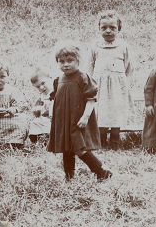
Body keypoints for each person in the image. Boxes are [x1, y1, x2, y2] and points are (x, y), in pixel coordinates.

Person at [48, 41, 112, 181]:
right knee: (67, 149)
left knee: (79, 147)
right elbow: (55, 100)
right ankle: (69, 176)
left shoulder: (83, 77)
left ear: (78, 61)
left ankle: (100, 171)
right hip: (63, 121)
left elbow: (91, 99)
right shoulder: (58, 80)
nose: (65, 64)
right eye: (61, 61)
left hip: (78, 120)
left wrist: (85, 117)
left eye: (70, 60)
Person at [87, 10, 136, 149]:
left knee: (117, 110)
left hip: (118, 86)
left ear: (119, 29)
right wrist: (93, 82)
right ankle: (101, 138)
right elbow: (89, 66)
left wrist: (119, 78)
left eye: (112, 28)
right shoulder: (95, 46)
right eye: (104, 28)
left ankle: (115, 138)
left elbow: (129, 66)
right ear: (99, 28)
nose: (108, 31)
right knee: (101, 110)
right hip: (99, 85)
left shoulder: (123, 46)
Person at [26, 68, 53, 146]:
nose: (41, 87)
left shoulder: (58, 91)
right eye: (38, 87)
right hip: (45, 118)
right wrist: (37, 110)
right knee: (35, 123)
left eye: (43, 83)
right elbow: (37, 110)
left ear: (50, 78)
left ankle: (50, 138)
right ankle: (39, 138)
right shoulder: (42, 97)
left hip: (57, 118)